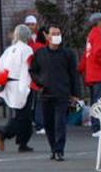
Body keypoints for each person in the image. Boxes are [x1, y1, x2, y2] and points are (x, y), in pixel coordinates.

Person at [30, 25, 81, 161]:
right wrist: (39, 82)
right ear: (47, 36)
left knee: (60, 123)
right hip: (46, 93)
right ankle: (53, 147)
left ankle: (59, 150)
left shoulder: (68, 54)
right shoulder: (40, 53)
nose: (56, 36)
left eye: (58, 33)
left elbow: (73, 74)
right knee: (48, 124)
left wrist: (75, 94)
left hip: (63, 93)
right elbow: (33, 70)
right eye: (53, 33)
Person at [0, 25, 35, 153]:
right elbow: (29, 68)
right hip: (22, 83)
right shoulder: (27, 50)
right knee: (24, 115)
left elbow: (1, 68)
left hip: (10, 84)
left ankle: (23, 142)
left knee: (21, 114)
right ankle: (4, 133)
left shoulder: (9, 50)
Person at [25, 15, 46, 134]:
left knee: (36, 98)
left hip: (36, 72)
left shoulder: (39, 38)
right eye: (28, 24)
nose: (30, 27)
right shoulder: (23, 38)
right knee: (30, 99)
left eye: (32, 24)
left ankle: (37, 121)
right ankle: (35, 121)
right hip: (27, 72)